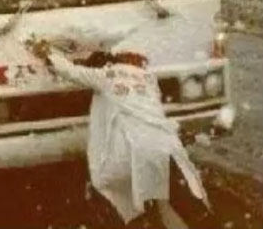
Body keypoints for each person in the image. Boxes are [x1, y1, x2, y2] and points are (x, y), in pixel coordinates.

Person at [36, 43, 210, 229]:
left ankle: (142, 221)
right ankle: (201, 221)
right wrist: (181, 133)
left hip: (129, 152)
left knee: (130, 198)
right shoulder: (150, 80)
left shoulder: (106, 76)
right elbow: (152, 113)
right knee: (173, 196)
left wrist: (48, 54)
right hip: (163, 148)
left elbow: (71, 72)